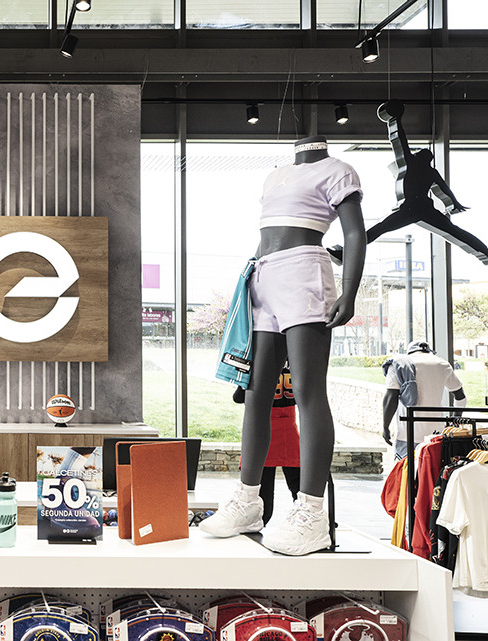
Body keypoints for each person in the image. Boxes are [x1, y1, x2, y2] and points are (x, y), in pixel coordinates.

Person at [200, 135, 366, 556]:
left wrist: (349, 292)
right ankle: (248, 500)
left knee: (308, 392)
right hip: (264, 274)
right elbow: (266, 234)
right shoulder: (275, 176)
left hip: (304, 271)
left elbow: (354, 233)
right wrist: (249, 278)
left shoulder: (338, 170)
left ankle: (311, 512)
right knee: (256, 391)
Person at [329, 100, 488, 267]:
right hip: (424, 209)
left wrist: (396, 120)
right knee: (457, 233)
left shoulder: (412, 163)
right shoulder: (430, 171)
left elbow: (399, 140)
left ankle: (344, 254)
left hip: (410, 209)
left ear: (419, 157)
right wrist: (452, 204)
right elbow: (444, 191)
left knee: (377, 230)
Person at [233, 363, 301, 525]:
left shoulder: (260, 367)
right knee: (298, 487)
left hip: (262, 432)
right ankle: (308, 519)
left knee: (263, 496)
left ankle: (255, 524)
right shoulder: (297, 368)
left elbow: (238, 397)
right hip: (289, 431)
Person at [383, 340, 467, 460]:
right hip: (436, 435)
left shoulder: (399, 364)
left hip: (407, 434)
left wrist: (385, 427)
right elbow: (460, 396)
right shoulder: (443, 364)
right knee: (433, 470)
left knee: (405, 470)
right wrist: (455, 421)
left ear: (410, 351)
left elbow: (391, 397)